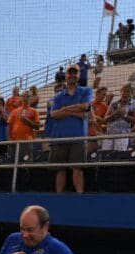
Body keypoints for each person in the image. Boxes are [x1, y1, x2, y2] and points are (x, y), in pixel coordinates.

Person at [45, 65, 93, 193]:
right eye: (69, 73)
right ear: (66, 75)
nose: (72, 75)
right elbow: (54, 114)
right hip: (59, 138)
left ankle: (80, 197)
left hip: (78, 138)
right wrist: (76, 112)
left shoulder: (86, 90)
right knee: (60, 169)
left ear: (78, 75)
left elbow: (85, 106)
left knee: (77, 169)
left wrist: (65, 109)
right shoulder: (58, 96)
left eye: (75, 72)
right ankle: (59, 197)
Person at [102, 84, 135, 152]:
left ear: (131, 93)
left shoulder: (134, 104)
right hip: (109, 133)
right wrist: (115, 113)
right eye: (123, 91)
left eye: (127, 91)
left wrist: (124, 115)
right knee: (105, 155)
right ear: (120, 92)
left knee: (119, 156)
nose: (125, 93)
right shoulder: (114, 103)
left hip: (122, 135)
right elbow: (105, 119)